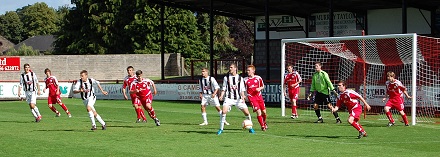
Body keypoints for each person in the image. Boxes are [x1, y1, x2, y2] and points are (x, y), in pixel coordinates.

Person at [217, 63, 255, 135]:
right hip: (229, 98)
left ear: (235, 68)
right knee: (224, 111)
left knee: (247, 113)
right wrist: (221, 95)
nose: (230, 69)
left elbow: (242, 89)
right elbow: (224, 88)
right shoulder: (226, 78)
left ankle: (250, 128)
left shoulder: (240, 78)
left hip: (238, 99)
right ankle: (221, 129)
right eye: (230, 67)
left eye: (231, 67)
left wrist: (243, 97)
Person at [244, 65, 268, 131]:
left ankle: (264, 122)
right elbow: (243, 89)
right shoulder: (245, 80)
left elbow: (262, 86)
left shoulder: (258, 78)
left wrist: (259, 88)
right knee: (258, 112)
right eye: (247, 70)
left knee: (264, 112)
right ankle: (262, 126)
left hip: (259, 97)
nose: (247, 71)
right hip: (252, 98)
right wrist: (244, 96)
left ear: (253, 71)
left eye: (249, 70)